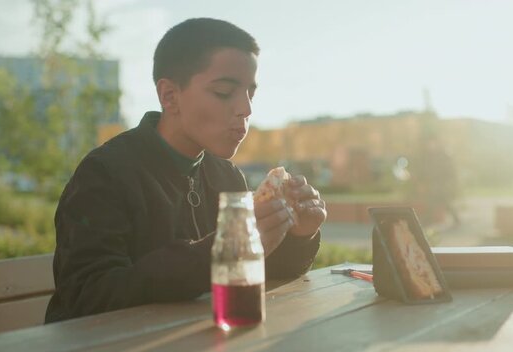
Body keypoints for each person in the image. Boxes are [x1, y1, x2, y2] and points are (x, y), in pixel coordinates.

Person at [45, 18, 327, 323]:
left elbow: (258, 276)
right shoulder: (104, 174)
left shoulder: (226, 176)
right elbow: (88, 296)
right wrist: (218, 252)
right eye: (223, 92)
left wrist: (300, 233)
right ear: (169, 96)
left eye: (250, 93)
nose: (245, 109)